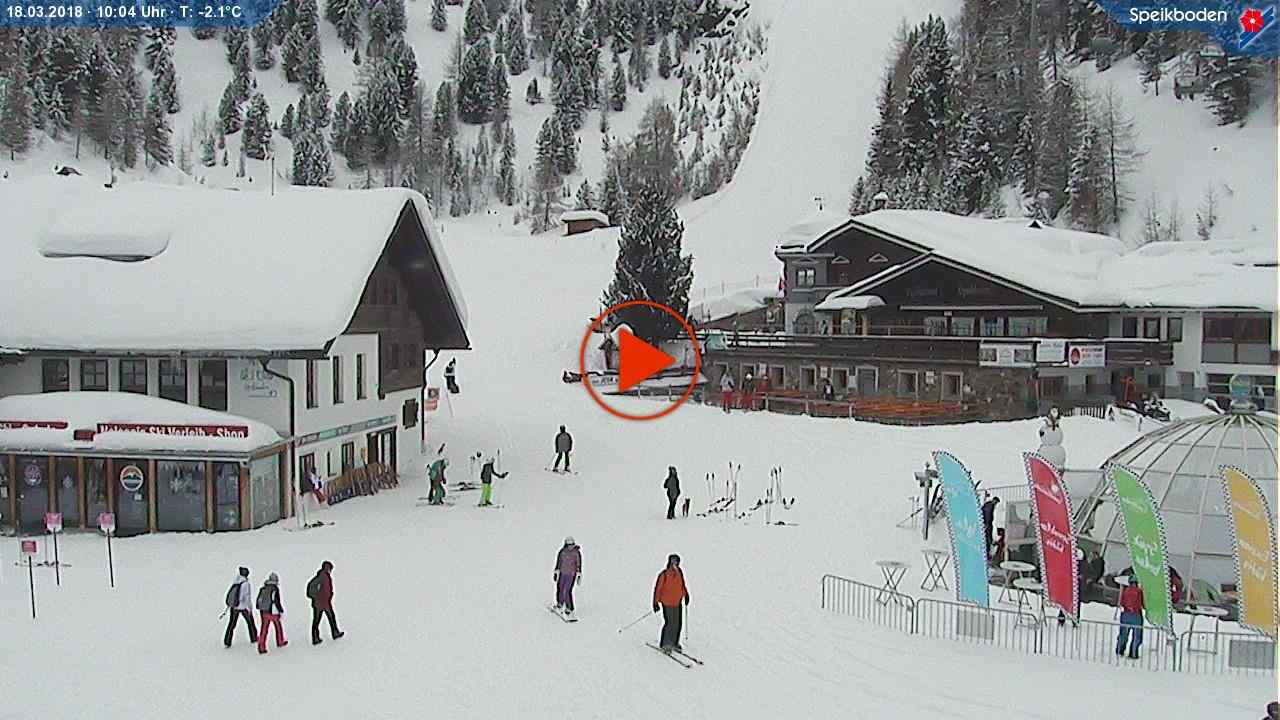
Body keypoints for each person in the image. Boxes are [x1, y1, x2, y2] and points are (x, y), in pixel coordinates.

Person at [653, 554, 690, 652]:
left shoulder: (679, 572)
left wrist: (686, 595)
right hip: (667, 603)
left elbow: (682, 585)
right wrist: (655, 602)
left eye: (676, 561)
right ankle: (665, 644)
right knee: (669, 623)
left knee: (678, 623)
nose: (674, 563)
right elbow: (658, 589)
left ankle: (674, 642)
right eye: (673, 561)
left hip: (677, 602)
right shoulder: (664, 574)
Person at [307, 561, 343, 645]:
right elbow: (315, 589)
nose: (331, 570)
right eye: (330, 568)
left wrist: (330, 595)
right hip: (320, 604)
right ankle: (319, 637)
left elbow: (327, 589)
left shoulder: (324, 576)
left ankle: (331, 634)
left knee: (327, 618)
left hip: (324, 603)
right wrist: (318, 597)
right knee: (320, 620)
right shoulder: (322, 577)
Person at [224, 566, 258, 648]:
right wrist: (250, 608)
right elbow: (247, 597)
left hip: (234, 606)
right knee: (250, 622)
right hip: (243, 607)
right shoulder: (246, 584)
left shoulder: (235, 581)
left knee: (231, 624)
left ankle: (227, 641)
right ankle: (254, 637)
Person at [255, 572, 287, 654]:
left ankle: (261, 646)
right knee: (278, 626)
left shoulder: (263, 588)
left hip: (263, 611)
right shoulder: (275, 589)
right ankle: (280, 641)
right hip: (273, 611)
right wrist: (281, 610)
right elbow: (277, 601)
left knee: (264, 629)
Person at [1116, 578, 1144, 659]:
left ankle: (1119, 650)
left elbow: (1121, 602)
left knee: (1123, 634)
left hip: (1125, 614)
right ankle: (1133, 653)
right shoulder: (1139, 591)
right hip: (1136, 615)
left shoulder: (1125, 590)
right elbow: (1143, 604)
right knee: (1136, 636)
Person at [553, 537, 582, 617]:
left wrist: (579, 574)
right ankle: (560, 603)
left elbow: (578, 563)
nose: (571, 547)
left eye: (572, 545)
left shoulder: (576, 553)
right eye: (569, 545)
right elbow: (559, 562)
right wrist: (556, 571)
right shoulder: (562, 552)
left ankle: (569, 607)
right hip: (563, 573)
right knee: (560, 588)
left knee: (567, 590)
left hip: (571, 574)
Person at [980, 495, 1000, 559]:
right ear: (994, 500)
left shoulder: (987, 504)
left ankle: (986, 553)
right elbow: (988, 515)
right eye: (996, 502)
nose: (996, 504)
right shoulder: (990, 506)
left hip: (985, 524)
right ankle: (987, 554)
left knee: (987, 539)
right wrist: (987, 524)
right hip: (987, 525)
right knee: (987, 539)